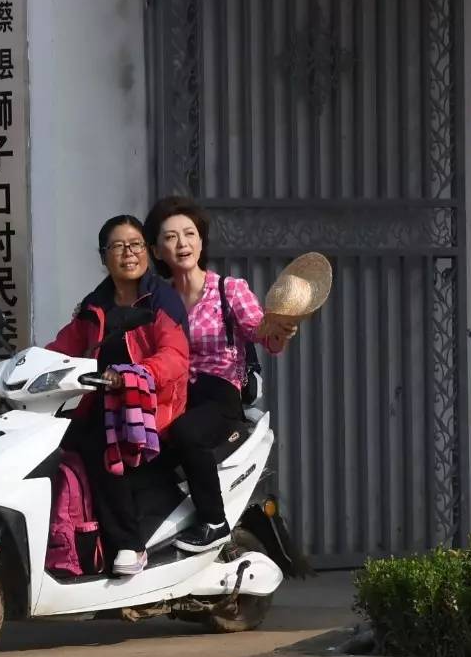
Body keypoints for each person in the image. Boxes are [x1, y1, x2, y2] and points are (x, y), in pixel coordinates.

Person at [143, 196, 298, 554]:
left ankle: (214, 521)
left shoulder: (230, 289)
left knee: (187, 433)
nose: (182, 244)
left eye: (189, 234)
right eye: (170, 237)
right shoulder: (156, 298)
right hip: (172, 394)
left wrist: (279, 331)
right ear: (156, 249)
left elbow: (261, 332)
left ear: (201, 241)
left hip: (218, 392)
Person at [47, 215, 190, 576]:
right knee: (55, 442)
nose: (129, 253)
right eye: (118, 246)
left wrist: (136, 374)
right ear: (103, 255)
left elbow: (175, 355)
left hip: (152, 406)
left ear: (147, 251)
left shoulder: (161, 300)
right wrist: (24, 365)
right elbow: (64, 347)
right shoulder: (95, 304)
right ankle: (72, 541)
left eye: (136, 244)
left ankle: (130, 543)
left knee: (101, 443)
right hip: (102, 405)